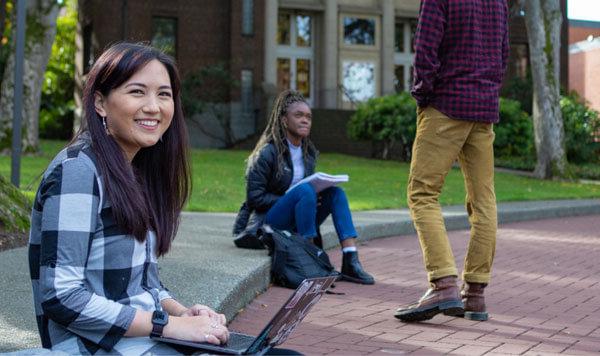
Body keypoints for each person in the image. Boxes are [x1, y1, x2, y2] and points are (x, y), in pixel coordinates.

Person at [27, 42, 233, 354]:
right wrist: (168, 325)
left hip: (143, 342)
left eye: (163, 94)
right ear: (100, 103)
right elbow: (62, 296)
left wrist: (183, 313)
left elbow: (143, 285)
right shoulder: (78, 170)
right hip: (93, 347)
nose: (153, 106)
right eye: (137, 92)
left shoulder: (134, 169)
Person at [394, 0, 509, 322]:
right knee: (484, 201)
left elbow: (425, 48)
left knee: (423, 193)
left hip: (445, 105)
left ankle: (443, 283)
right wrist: (488, 91)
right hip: (484, 110)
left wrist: (423, 95)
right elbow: (503, 54)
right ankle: (475, 294)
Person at [234, 90, 375, 285]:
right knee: (304, 191)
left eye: (308, 116)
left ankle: (351, 259)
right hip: (267, 224)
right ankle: (312, 259)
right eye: (298, 115)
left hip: (297, 217)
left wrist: (310, 195)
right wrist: (291, 198)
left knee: (336, 193)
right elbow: (254, 198)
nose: (305, 120)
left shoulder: (308, 153)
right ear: (284, 120)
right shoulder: (267, 153)